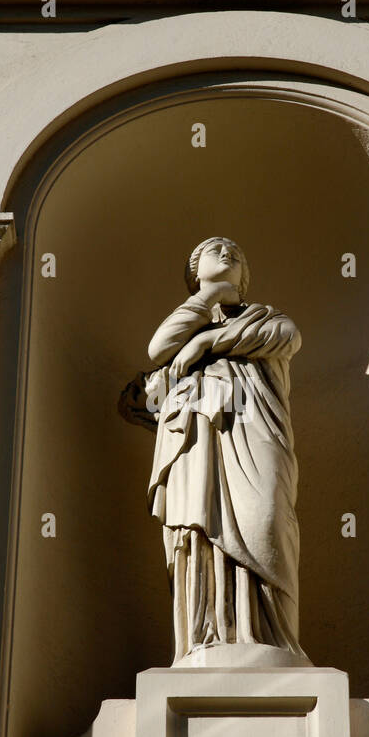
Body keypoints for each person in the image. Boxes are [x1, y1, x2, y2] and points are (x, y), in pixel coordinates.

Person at [128, 235, 309, 666]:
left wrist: (208, 343)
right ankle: (207, 635)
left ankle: (273, 639)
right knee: (200, 530)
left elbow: (289, 335)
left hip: (255, 430)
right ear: (195, 272)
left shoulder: (264, 317)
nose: (227, 253)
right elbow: (159, 348)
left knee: (265, 516)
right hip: (199, 442)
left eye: (236, 253)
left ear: (246, 276)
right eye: (215, 251)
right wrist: (208, 298)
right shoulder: (189, 318)